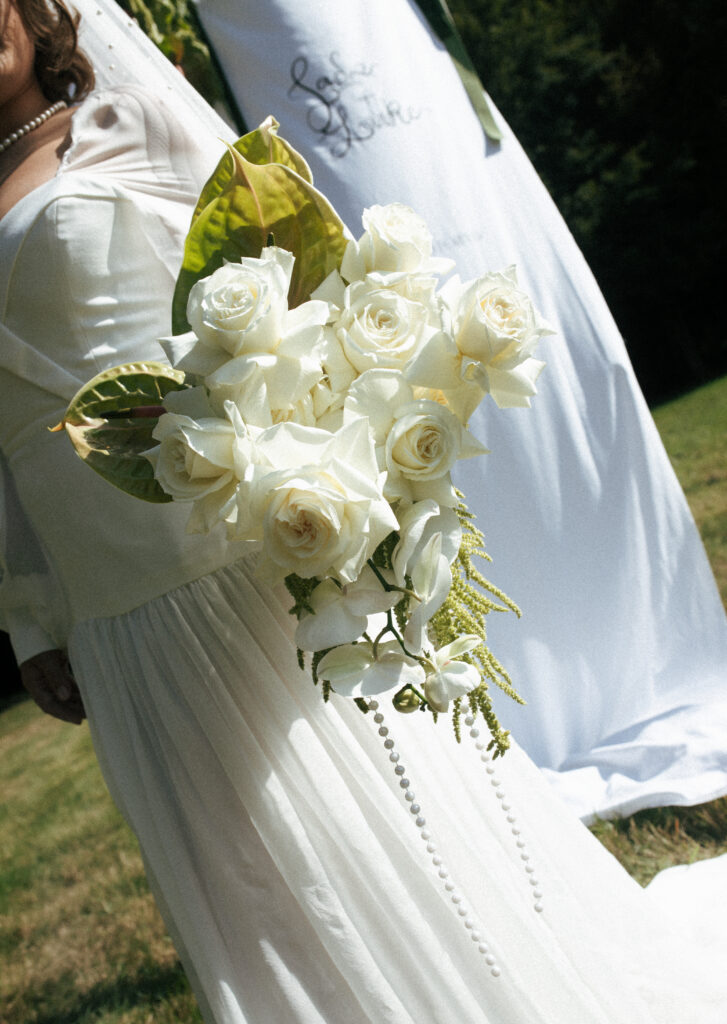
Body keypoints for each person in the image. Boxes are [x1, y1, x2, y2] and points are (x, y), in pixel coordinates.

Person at [2, 0, 727, 1021]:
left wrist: (327, 458)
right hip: (106, 599)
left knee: (367, 818)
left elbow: (297, 273)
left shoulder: (129, 124)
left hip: (224, 549)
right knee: (235, 866)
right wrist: (31, 616)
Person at [191, 0, 727, 822]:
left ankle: (639, 659)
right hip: (303, 143)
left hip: (427, 124)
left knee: (527, 401)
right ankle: (496, 719)